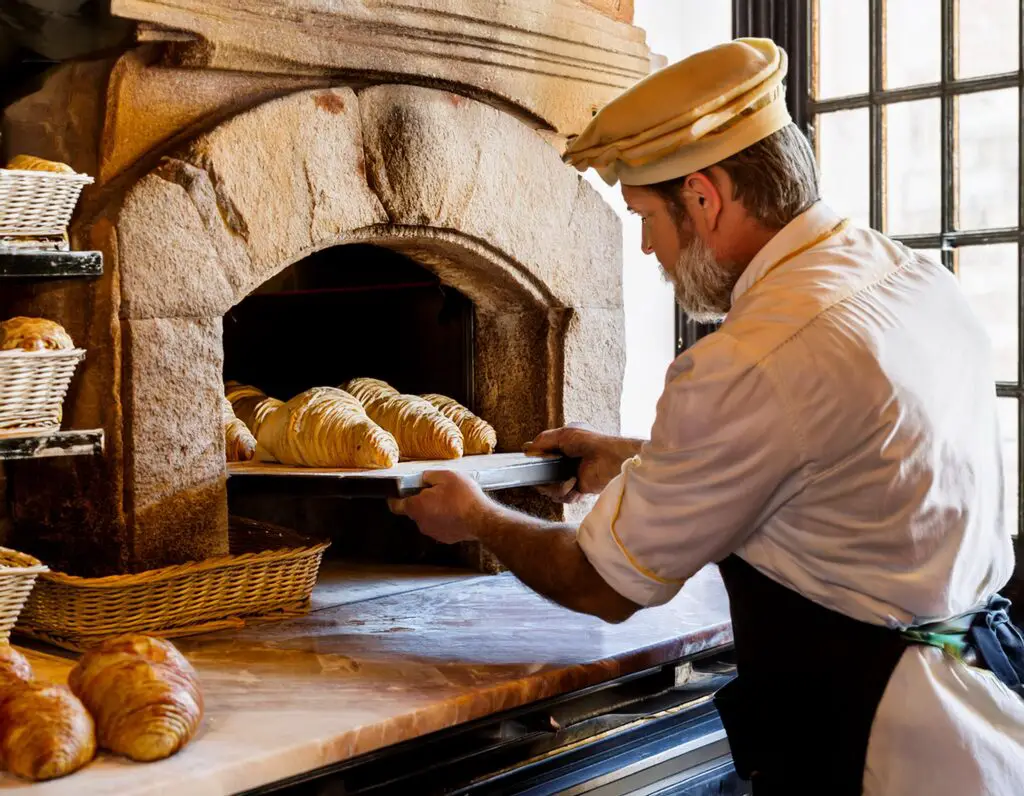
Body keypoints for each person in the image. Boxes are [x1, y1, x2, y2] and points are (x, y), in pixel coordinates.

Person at [388, 38, 1024, 794]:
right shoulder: (912, 278)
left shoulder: (754, 357)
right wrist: (630, 456)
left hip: (876, 751)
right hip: (984, 716)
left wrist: (477, 516)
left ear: (703, 196)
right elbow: (828, 469)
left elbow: (602, 585)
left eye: (646, 220)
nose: (652, 252)